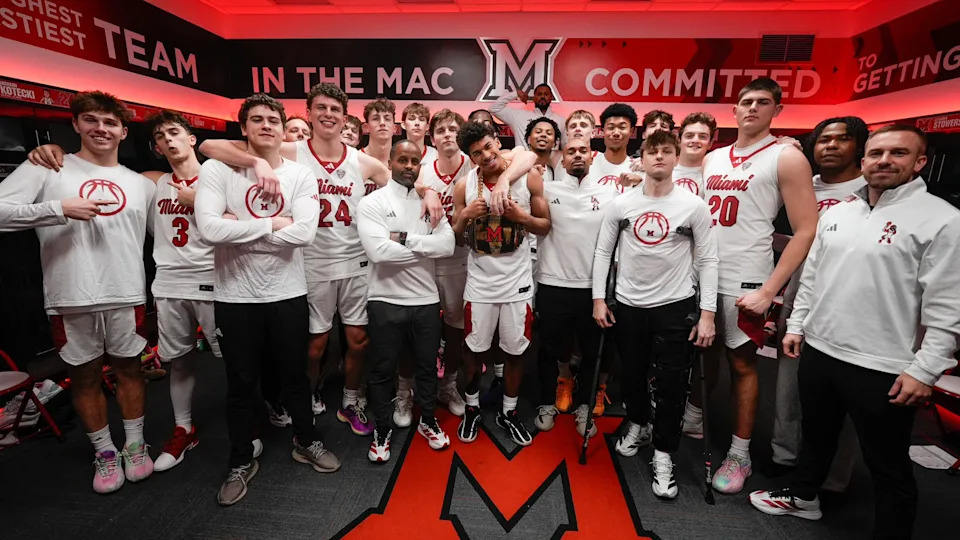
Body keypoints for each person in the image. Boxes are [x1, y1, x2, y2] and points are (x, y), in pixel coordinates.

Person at [24, 111, 270, 466]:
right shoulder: (150, 183)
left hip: (216, 279)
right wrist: (47, 150)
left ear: (190, 139)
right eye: (160, 136)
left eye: (175, 132)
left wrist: (200, 204)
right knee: (179, 362)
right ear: (155, 147)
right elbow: (98, 173)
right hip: (169, 282)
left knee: (235, 362)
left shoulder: (222, 178)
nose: (168, 140)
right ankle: (184, 430)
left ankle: (249, 425)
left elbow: (246, 224)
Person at [750, 125, 960, 539]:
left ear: (919, 162)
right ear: (862, 161)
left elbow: (948, 303)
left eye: (898, 153)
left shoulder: (943, 220)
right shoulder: (839, 212)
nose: (884, 161)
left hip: (883, 362)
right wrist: (797, 326)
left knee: (887, 464)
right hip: (821, 349)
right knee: (817, 436)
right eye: (876, 154)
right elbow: (811, 276)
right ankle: (804, 498)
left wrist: (925, 370)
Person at [199, 84, 442, 438]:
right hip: (309, 260)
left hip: (356, 259)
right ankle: (307, 396)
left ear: (346, 118)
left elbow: (405, 180)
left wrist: (430, 190)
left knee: (358, 339)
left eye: (335, 109)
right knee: (314, 343)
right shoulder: (289, 150)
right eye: (321, 108)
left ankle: (350, 399)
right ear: (309, 113)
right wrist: (254, 160)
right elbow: (208, 146)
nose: (328, 114)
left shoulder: (362, 160)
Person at [0, 91, 157, 493]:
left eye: (109, 123)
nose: (100, 129)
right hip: (71, 294)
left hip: (126, 293)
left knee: (130, 370)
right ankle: (105, 452)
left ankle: (135, 445)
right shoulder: (48, 168)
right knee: (84, 376)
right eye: (91, 120)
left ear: (124, 131)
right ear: (76, 125)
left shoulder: (138, 183)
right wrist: (56, 209)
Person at [195, 94, 340, 506]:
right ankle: (241, 459)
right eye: (256, 120)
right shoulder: (216, 170)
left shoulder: (300, 175)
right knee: (240, 382)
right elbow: (208, 229)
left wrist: (240, 225)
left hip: (287, 292)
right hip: (235, 296)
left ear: (283, 128)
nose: (266, 126)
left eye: (273, 120)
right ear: (243, 128)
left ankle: (305, 440)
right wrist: (274, 223)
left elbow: (306, 233)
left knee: (295, 376)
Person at [690, 77, 818, 495]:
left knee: (742, 364)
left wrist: (770, 291)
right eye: (746, 102)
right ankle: (694, 414)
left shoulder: (786, 156)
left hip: (746, 276)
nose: (752, 109)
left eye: (763, 102)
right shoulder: (713, 157)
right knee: (701, 353)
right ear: (734, 110)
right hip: (701, 272)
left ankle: (739, 453)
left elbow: (805, 230)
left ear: (776, 110)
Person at [593, 129, 718, 499]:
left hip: (675, 306)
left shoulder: (693, 205)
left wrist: (707, 313)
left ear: (676, 158)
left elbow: (708, 258)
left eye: (667, 151)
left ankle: (663, 453)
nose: (660, 157)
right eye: (653, 151)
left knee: (672, 384)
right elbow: (603, 253)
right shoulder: (622, 204)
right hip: (629, 304)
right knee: (631, 375)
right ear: (642, 159)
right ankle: (638, 422)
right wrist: (599, 299)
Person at [767, 117, 869, 487]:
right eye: (823, 140)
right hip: (801, 285)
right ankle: (784, 454)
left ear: (859, 147)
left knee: (843, 389)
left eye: (841, 140)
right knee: (789, 380)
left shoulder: (871, 187)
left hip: (852, 294)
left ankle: (834, 478)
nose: (830, 146)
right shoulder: (803, 185)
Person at [452, 121, 550, 446]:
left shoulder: (526, 174)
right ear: (470, 157)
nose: (485, 156)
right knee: (472, 350)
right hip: (479, 283)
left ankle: (508, 412)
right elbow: (455, 237)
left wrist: (521, 218)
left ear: (497, 142)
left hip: (517, 284)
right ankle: (472, 408)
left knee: (515, 351)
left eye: (488, 147)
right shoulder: (465, 183)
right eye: (476, 153)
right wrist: (466, 215)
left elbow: (545, 226)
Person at [358, 140, 456, 462]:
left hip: (426, 299)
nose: (410, 165)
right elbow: (378, 253)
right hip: (385, 298)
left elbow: (447, 247)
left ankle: (428, 420)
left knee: (428, 367)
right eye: (403, 159)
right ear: (391, 161)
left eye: (415, 160)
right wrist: (425, 245)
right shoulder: (372, 202)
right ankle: (382, 427)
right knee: (383, 369)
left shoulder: (431, 202)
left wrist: (403, 238)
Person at [534, 136, 619, 435]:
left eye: (583, 151)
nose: (577, 156)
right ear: (562, 158)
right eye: (571, 152)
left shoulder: (610, 193)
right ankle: (546, 401)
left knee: (592, 349)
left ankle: (584, 407)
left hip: (592, 289)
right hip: (552, 282)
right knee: (549, 349)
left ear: (593, 156)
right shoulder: (547, 189)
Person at [419, 109, 471, 418]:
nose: (448, 134)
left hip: (461, 260)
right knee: (420, 327)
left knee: (455, 329)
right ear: (432, 137)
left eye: (454, 129)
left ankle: (449, 383)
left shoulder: (475, 164)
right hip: (423, 261)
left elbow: (520, 155)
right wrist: (425, 190)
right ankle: (410, 385)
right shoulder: (422, 170)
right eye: (441, 130)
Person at [490, 83, 566, 150]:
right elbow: (494, 108)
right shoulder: (519, 117)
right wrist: (516, 93)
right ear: (534, 97)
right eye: (539, 94)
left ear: (551, 97)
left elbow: (565, 147)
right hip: (524, 164)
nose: (542, 97)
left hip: (550, 165)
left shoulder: (561, 121)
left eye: (546, 94)